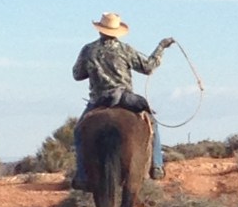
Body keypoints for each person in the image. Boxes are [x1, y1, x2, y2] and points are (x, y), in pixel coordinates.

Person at [71, 12, 174, 191]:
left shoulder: (88, 50)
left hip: (98, 99)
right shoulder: (125, 49)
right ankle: (157, 166)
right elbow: (148, 67)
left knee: (79, 131)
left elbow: (77, 75)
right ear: (117, 31)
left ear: (100, 30)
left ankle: (82, 175)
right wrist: (161, 47)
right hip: (125, 98)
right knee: (153, 125)